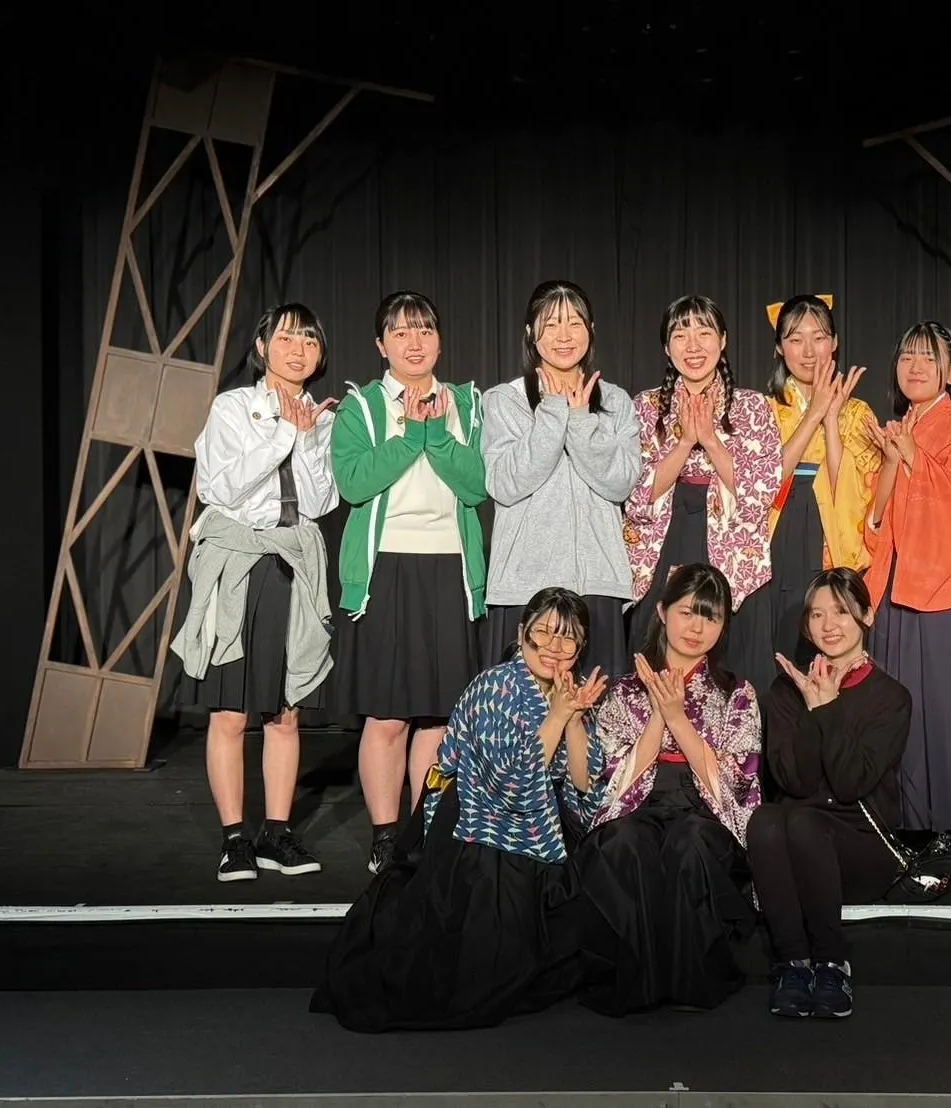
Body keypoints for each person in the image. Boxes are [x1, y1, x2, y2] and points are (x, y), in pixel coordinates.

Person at [311, 588, 608, 1032]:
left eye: (568, 638)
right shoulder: (495, 688)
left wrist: (575, 717)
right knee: (481, 967)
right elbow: (510, 785)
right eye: (544, 632)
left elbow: (583, 783)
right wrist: (556, 718)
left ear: (581, 647)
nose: (554, 647)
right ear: (521, 633)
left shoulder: (567, 691)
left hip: (541, 816)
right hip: (479, 818)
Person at [170, 303, 338, 883]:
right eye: (286, 338)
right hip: (237, 563)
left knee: (284, 712)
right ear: (263, 347)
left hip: (292, 562)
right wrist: (286, 432)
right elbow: (222, 488)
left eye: (309, 341)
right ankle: (234, 839)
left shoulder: (320, 417)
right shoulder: (233, 407)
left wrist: (309, 439)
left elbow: (319, 503)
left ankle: (277, 833)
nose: (298, 350)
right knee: (229, 712)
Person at [330, 291, 488, 876]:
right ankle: (384, 834)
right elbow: (353, 483)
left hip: (450, 567)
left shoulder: (467, 403)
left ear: (440, 340)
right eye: (400, 333)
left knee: (439, 717)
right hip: (386, 571)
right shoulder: (362, 407)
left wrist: (437, 434)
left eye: (424, 330)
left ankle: (425, 828)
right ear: (381, 345)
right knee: (388, 716)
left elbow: (477, 486)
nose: (414, 343)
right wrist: (409, 437)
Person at [575, 563, 764, 1015]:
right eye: (686, 612)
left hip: (704, 807)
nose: (696, 628)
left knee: (691, 844)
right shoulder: (626, 690)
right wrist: (660, 710)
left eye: (710, 616)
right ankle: (634, 981)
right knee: (624, 843)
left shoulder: (738, 693)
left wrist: (678, 717)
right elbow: (611, 775)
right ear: (662, 612)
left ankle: (692, 979)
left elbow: (739, 778)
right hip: (640, 801)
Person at [861, 321, 951, 856]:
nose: (916, 367)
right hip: (897, 580)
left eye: (929, 357)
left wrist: (912, 458)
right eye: (907, 357)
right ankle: (909, 819)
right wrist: (894, 459)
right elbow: (877, 515)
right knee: (903, 705)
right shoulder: (900, 428)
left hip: (948, 587)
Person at [750, 568, 914, 1019]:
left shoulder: (891, 698)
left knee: (803, 822)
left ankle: (830, 962)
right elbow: (796, 782)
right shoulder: (786, 690)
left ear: (866, 615)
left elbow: (848, 784)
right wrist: (808, 707)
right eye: (817, 614)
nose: (829, 625)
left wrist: (826, 710)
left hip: (862, 843)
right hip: (798, 834)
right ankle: (793, 965)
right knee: (766, 819)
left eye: (841, 611)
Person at [481, 280, 641, 680]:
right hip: (524, 585)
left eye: (574, 323)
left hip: (597, 583)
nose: (564, 335)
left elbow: (620, 483)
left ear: (591, 330)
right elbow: (505, 484)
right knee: (521, 709)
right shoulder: (504, 400)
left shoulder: (615, 401)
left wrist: (582, 420)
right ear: (530, 333)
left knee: (596, 707)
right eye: (551, 324)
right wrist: (553, 412)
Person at [623, 295, 782, 690]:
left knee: (734, 667)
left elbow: (761, 492)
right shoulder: (645, 407)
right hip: (667, 535)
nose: (693, 346)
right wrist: (683, 444)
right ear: (666, 347)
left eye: (704, 333)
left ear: (723, 340)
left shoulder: (753, 407)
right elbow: (635, 495)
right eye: (681, 335)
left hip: (730, 542)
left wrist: (710, 440)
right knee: (658, 658)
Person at [763, 294, 880, 666]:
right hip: (780, 525)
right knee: (778, 642)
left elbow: (854, 492)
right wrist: (815, 413)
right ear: (779, 348)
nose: (809, 350)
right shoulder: (764, 409)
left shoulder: (857, 412)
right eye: (796, 339)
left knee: (831, 642)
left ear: (835, 342)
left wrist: (831, 421)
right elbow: (765, 479)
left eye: (819, 337)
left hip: (830, 529)